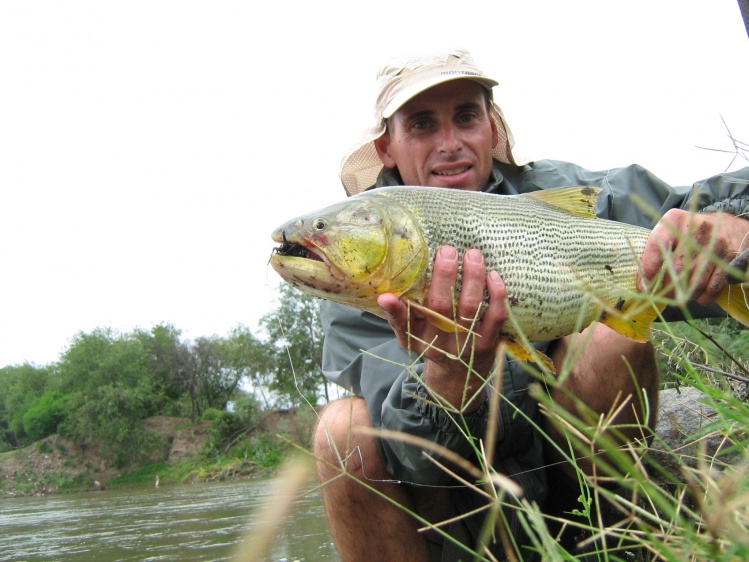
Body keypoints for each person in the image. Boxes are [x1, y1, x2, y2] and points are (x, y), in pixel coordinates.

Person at [312, 48, 749, 561]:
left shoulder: (566, 194)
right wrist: (447, 380)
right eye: (423, 124)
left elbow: (712, 199)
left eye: (467, 116)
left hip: (580, 492)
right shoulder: (356, 276)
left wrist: (730, 221)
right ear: (387, 147)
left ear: (492, 127)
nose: (449, 144)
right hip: (448, 515)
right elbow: (410, 463)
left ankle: (624, 546)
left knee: (608, 338)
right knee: (339, 433)